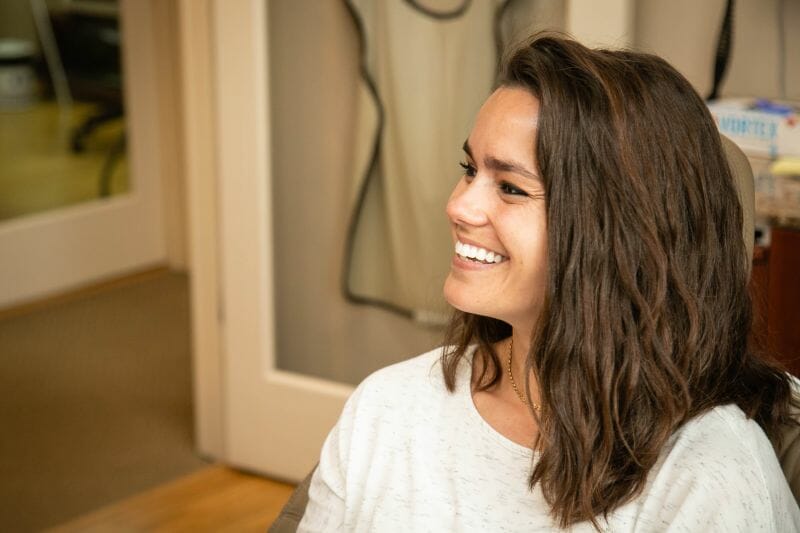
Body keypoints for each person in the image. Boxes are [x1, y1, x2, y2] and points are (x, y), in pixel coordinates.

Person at [298, 34, 800, 531]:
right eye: (468, 169)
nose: (458, 205)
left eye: (511, 187)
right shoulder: (387, 408)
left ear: (618, 233)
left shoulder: (711, 478)